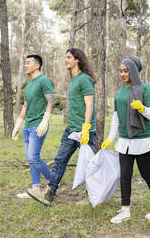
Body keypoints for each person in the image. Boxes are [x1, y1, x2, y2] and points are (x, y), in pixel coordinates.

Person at [101, 56, 150, 224]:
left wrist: (142, 108)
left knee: (146, 173)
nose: (122, 74)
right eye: (121, 71)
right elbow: (115, 118)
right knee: (125, 175)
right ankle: (125, 209)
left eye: (126, 71)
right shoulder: (120, 92)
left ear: (134, 71)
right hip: (125, 141)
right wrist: (110, 138)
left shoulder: (144, 89)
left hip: (143, 140)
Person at [33, 48, 96, 206]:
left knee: (88, 165)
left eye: (69, 57)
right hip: (71, 130)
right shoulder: (74, 80)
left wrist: (86, 129)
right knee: (60, 160)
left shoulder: (84, 79)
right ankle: (50, 194)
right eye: (65, 57)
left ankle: (91, 196)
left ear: (78, 60)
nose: (66, 60)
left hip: (84, 131)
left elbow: (89, 105)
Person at [12, 54, 55, 200]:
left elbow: (51, 102)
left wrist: (45, 121)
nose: (25, 65)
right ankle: (35, 188)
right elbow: (25, 105)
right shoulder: (29, 85)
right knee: (30, 159)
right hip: (28, 126)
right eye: (25, 63)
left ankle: (53, 182)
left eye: (28, 63)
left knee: (33, 157)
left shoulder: (44, 81)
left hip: (38, 125)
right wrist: (18, 124)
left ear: (37, 65)